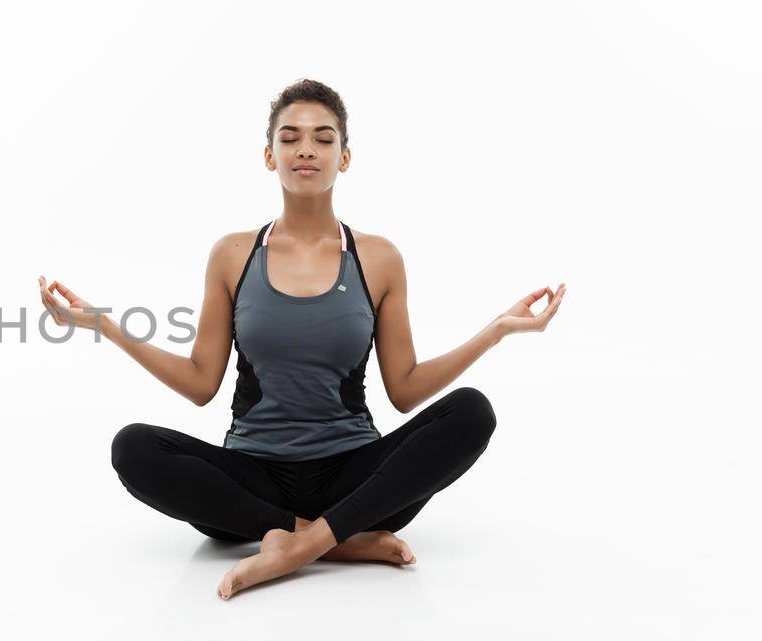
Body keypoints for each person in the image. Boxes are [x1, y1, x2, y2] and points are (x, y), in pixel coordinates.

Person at [35, 79, 565, 600]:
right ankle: (335, 542)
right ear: (269, 156)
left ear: (345, 157)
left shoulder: (378, 258)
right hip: (251, 482)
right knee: (133, 447)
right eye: (289, 138)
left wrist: (495, 331)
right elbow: (200, 383)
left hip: (355, 478)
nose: (305, 149)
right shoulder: (233, 255)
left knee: (473, 411)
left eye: (323, 138)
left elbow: (403, 389)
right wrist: (104, 324)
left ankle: (294, 545)